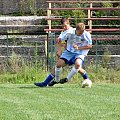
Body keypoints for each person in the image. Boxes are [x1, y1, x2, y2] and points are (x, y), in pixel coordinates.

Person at [34, 22, 92, 88]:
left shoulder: (86, 34)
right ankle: (53, 81)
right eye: (80, 33)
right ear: (76, 30)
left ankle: (67, 79)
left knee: (78, 64)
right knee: (58, 65)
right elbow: (59, 40)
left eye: (82, 32)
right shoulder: (69, 32)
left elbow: (90, 46)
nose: (81, 34)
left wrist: (79, 48)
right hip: (69, 52)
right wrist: (59, 49)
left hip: (80, 53)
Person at [34, 17, 75, 87]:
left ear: (69, 24)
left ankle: (52, 81)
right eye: (63, 26)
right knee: (57, 67)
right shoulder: (63, 33)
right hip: (68, 53)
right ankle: (47, 83)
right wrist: (60, 47)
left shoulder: (73, 31)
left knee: (77, 67)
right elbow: (61, 42)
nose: (64, 27)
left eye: (65, 25)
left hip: (75, 53)